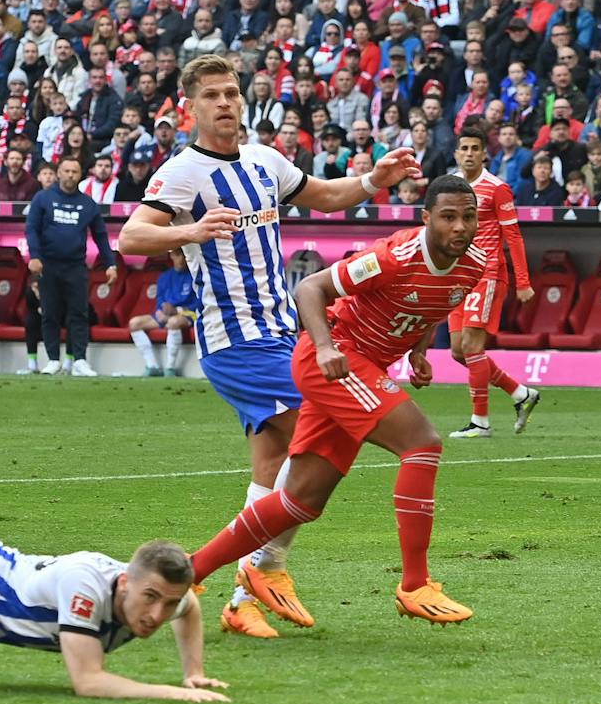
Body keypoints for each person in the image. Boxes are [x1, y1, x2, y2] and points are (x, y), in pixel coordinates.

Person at [115, 54, 422, 641]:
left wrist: (372, 181)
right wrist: (190, 230)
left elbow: (324, 195)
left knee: (274, 464)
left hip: (283, 331)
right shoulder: (182, 172)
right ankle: (267, 566)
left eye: (232, 92)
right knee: (327, 430)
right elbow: (132, 234)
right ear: (191, 107)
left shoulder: (264, 160)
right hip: (236, 341)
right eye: (212, 95)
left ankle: (238, 599)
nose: (225, 103)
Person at [184, 175, 487, 625]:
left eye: (468, 217)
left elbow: (435, 302)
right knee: (422, 442)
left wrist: (420, 350)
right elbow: (310, 290)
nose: (459, 227)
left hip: (362, 367)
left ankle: (192, 571)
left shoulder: (473, 264)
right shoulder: (392, 256)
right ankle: (415, 585)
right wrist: (326, 347)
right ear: (426, 219)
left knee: (301, 501)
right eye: (448, 217)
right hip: (335, 360)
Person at [0, 533, 225, 703]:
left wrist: (193, 673)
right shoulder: (85, 586)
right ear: (125, 583)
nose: (157, 615)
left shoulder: (162, 596)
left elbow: (191, 606)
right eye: (151, 598)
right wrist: (177, 694)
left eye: (169, 603)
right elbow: (88, 682)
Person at [446, 121, 540, 440]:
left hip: (486, 273)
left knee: (472, 345)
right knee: (458, 351)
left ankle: (480, 422)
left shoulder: (497, 188)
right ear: (457, 153)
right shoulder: (450, 187)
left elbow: (513, 235)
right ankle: (520, 393)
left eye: (476, 149)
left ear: (485, 154)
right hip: (456, 275)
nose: (470, 154)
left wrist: (522, 281)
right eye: (465, 149)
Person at [24, 154, 118, 378]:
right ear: (58, 173)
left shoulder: (87, 204)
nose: (70, 175)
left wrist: (110, 264)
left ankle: (80, 360)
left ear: (80, 175)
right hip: (48, 265)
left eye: (74, 171)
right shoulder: (42, 198)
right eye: (66, 171)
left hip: (76, 266)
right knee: (50, 313)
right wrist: (34, 256)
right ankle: (53, 360)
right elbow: (31, 229)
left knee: (79, 314)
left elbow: (101, 237)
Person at [128, 247, 196, 377]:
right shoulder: (165, 277)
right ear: (172, 256)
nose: (181, 259)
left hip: (188, 314)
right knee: (134, 323)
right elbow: (160, 299)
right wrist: (161, 312)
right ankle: (152, 365)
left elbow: (197, 304)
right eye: (177, 255)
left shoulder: (194, 276)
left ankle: (170, 368)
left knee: (173, 322)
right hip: (166, 315)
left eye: (183, 255)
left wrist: (177, 310)